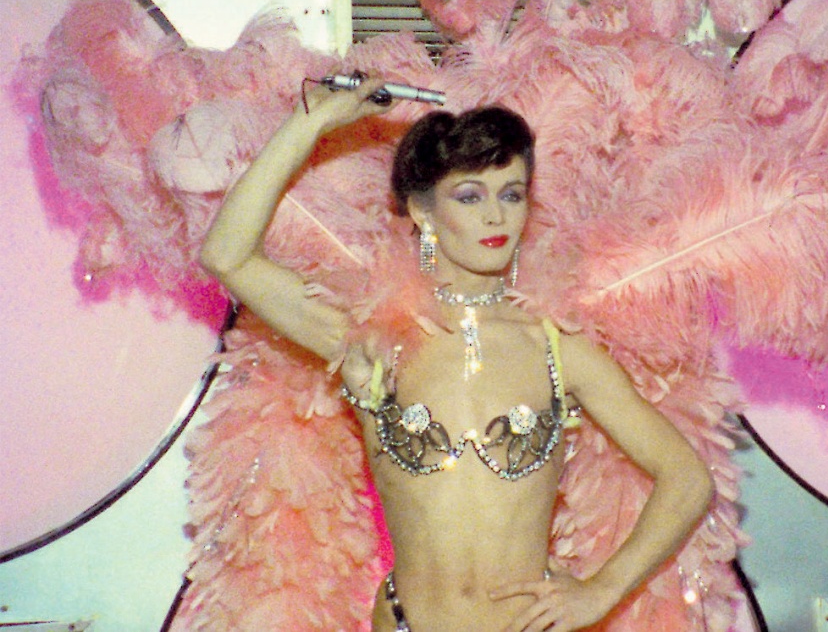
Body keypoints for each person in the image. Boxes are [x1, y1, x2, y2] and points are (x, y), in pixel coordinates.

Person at [199, 76, 714, 632]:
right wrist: (313, 121)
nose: (496, 216)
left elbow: (687, 478)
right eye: (470, 196)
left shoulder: (557, 346)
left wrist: (600, 592)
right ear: (422, 212)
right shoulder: (369, 335)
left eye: (511, 194)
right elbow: (227, 256)